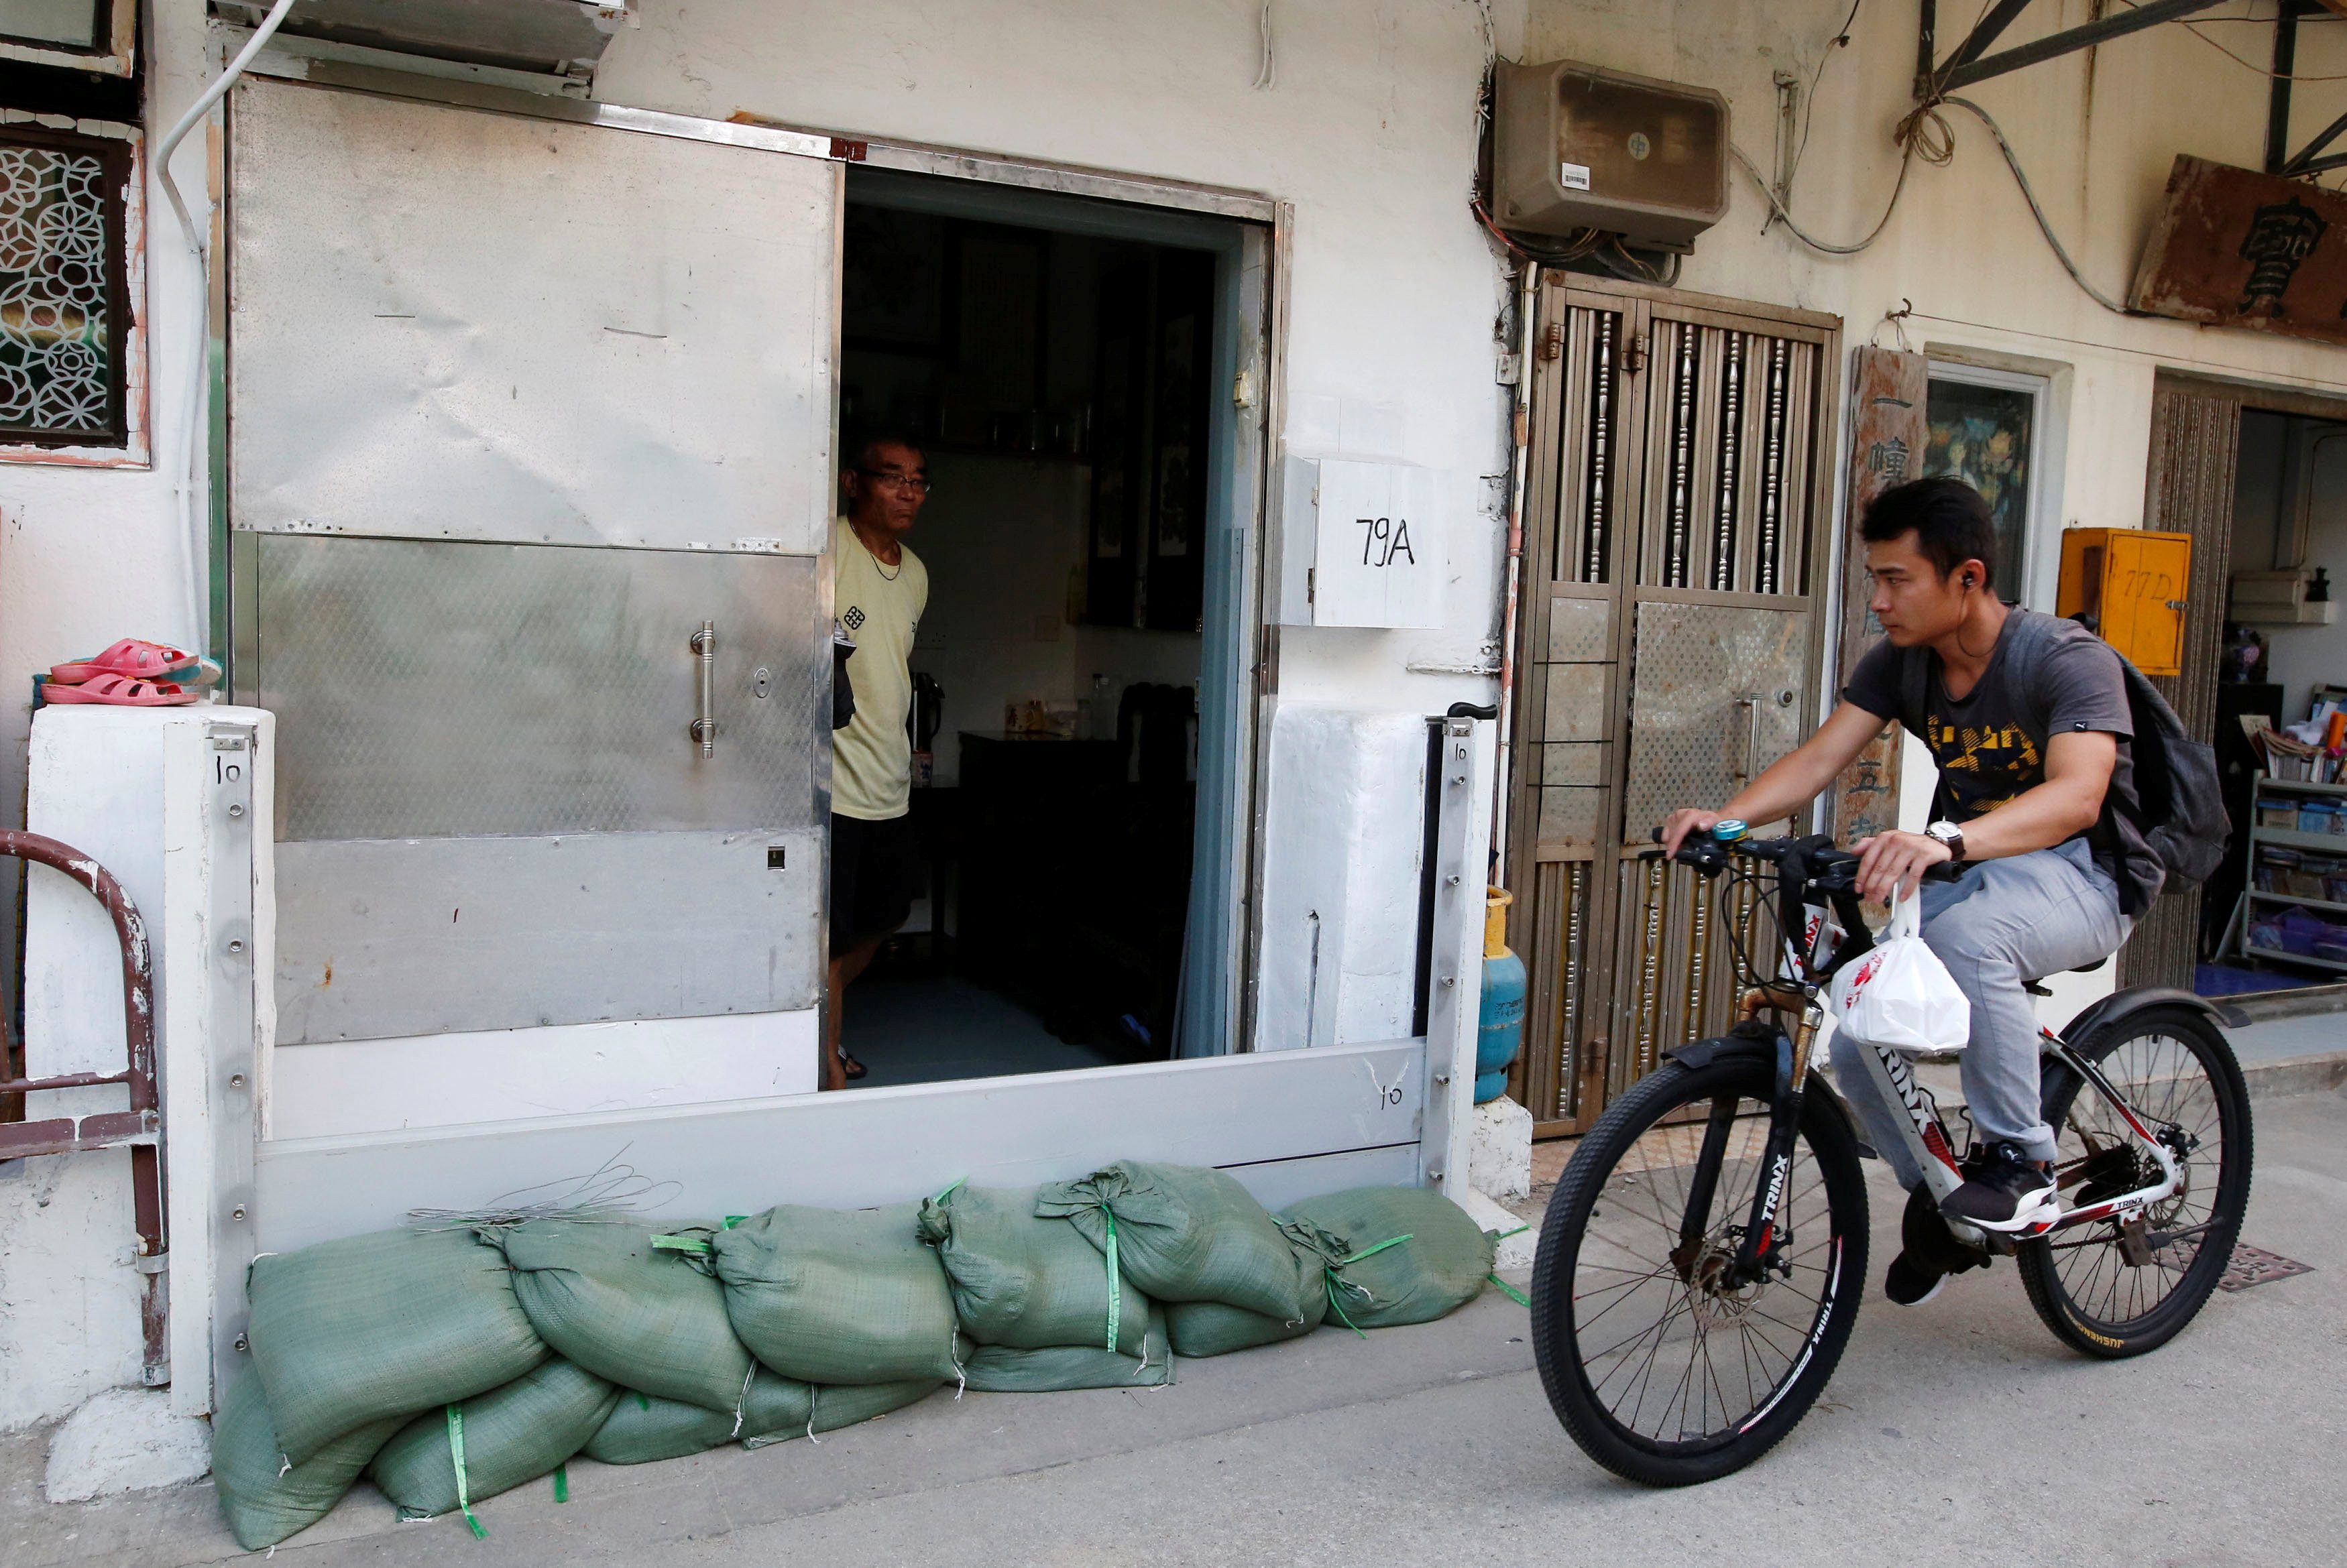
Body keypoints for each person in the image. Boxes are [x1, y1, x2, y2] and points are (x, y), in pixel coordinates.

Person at [1660, 475, 2152, 1307]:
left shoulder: (2065, 658)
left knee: (1972, 941)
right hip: (1980, 870)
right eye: (1873, 579)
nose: (1879, 600)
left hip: (2087, 874)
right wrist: (1728, 819)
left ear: (1964, 578)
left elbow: (2077, 795)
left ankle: (2019, 1161)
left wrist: (1942, 840)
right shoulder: (1902, 663)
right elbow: (1821, 756)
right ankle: (1944, 1199)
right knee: (1857, 1026)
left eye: (1896, 580)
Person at [825, 433, 931, 1091]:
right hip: (832, 780)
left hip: (888, 777)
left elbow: (893, 668)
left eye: (919, 481)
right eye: (893, 478)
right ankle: (827, 1058)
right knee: (830, 934)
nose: (908, 492)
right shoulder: (826, 548)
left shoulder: (916, 572)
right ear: (852, 482)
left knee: (882, 918)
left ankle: (822, 1037)